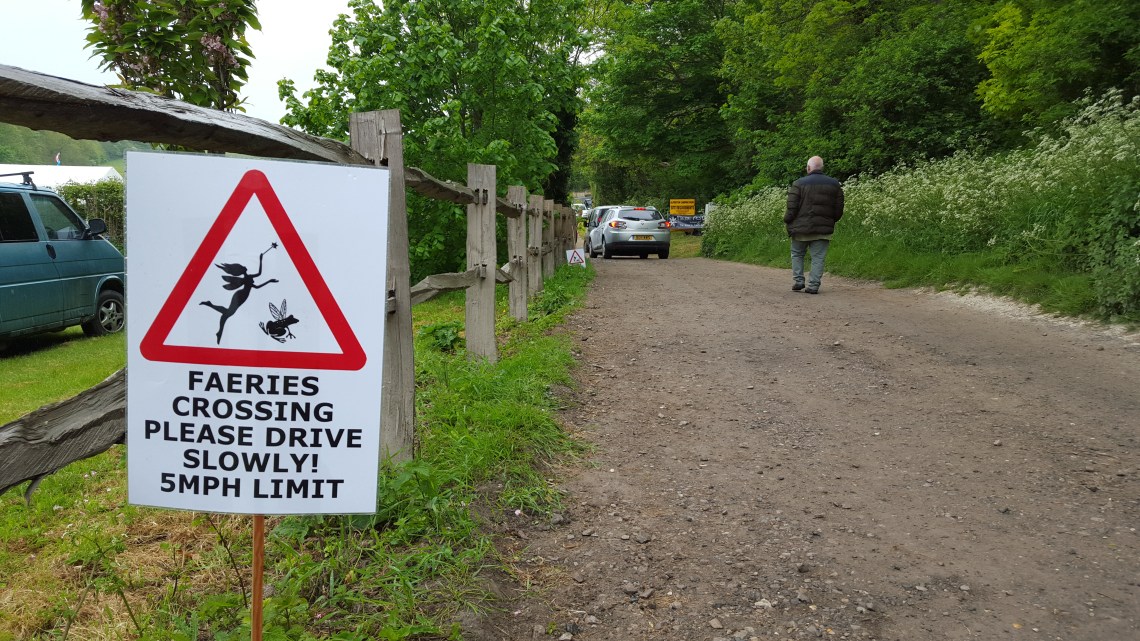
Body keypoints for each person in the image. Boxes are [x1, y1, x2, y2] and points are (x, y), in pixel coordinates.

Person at [784, 155, 844, 294]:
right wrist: (830, 220)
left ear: (808, 168)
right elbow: (839, 208)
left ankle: (799, 281)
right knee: (818, 257)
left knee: (797, 253)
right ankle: (813, 285)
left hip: (800, 229)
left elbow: (792, 207)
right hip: (823, 229)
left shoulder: (799, 183)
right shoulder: (834, 184)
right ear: (822, 168)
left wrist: (787, 220)